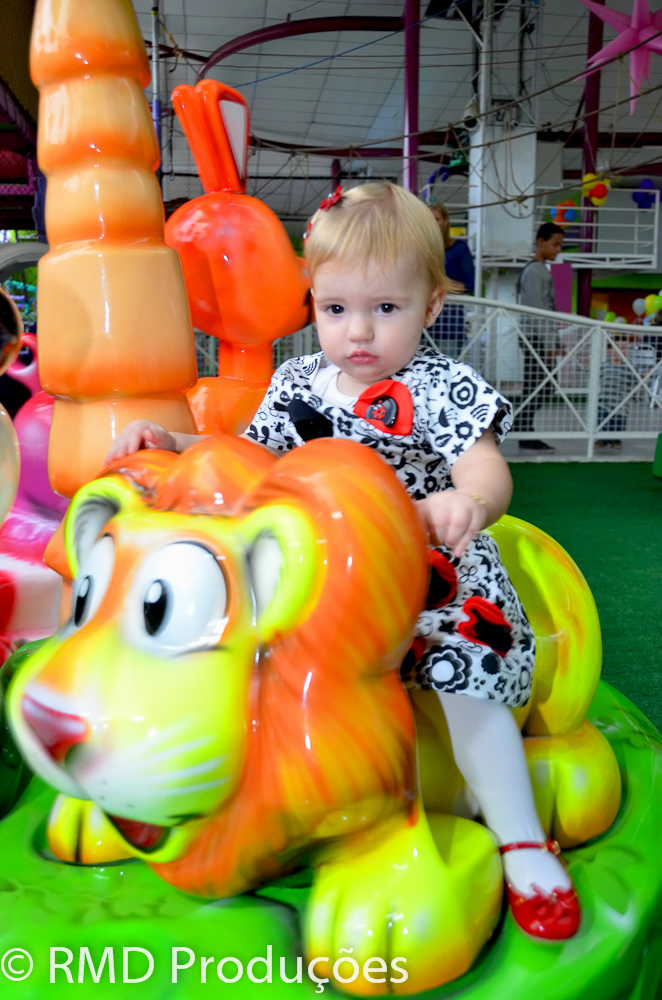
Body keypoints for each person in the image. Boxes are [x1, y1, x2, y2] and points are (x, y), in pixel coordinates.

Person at [107, 183, 579, 940]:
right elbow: (250, 456)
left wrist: (467, 501)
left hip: (426, 569)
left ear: (430, 306)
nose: (358, 331)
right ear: (314, 303)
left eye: (385, 308)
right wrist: (175, 444)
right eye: (335, 309)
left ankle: (519, 837)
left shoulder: (442, 386)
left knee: (463, 677)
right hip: (324, 570)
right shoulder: (297, 383)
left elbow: (485, 467)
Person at [514, 222, 564, 453]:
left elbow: (545, 310)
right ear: (541, 242)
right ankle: (522, 429)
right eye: (555, 244)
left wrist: (555, 342)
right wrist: (549, 344)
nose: (558, 250)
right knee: (538, 387)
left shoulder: (540, 270)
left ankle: (523, 428)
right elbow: (538, 311)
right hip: (536, 338)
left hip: (538, 338)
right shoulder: (535, 271)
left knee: (540, 386)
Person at [428, 203, 475, 359]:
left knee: (448, 366)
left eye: (436, 219)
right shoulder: (420, 249)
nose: (432, 223)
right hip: (423, 322)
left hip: (450, 322)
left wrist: (438, 288)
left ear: (445, 221)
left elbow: (469, 284)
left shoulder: (459, 248)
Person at [595, 336, 637, 451]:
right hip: (604, 401)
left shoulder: (629, 367)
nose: (621, 351)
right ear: (610, 351)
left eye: (624, 348)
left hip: (621, 402)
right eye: (618, 348)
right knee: (602, 419)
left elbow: (637, 380)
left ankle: (616, 440)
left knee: (619, 422)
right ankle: (602, 438)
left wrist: (644, 375)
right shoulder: (604, 365)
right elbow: (594, 375)